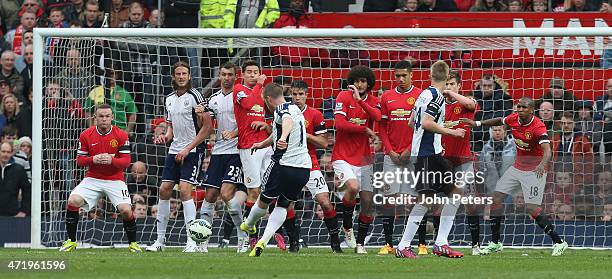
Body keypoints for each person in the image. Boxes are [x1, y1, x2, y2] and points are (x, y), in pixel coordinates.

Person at [461, 97, 569, 256]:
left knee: (531, 207)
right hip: (517, 168)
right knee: (496, 199)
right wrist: (478, 123)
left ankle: (559, 242)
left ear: (531, 110)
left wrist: (540, 165)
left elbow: (548, 151)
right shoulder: (513, 119)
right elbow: (499, 120)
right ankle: (496, 243)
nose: (520, 110)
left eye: (524, 107)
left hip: (535, 170)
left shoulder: (538, 127)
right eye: (518, 107)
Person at [395, 61, 465, 259]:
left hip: (426, 153)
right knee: (431, 198)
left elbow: (412, 122)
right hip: (428, 155)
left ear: (430, 75)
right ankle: (407, 245)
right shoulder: (436, 97)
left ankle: (439, 243)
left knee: (451, 193)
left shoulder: (422, 95)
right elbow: (426, 122)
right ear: (447, 75)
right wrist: (451, 132)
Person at [146, 61, 213, 253]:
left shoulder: (196, 96)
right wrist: (165, 137)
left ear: (189, 76)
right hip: (175, 149)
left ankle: (192, 241)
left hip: (193, 150)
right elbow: (171, 127)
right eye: (178, 73)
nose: (182, 76)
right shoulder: (168, 98)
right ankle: (160, 241)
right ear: (173, 77)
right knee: (164, 189)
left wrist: (187, 148)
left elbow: (207, 128)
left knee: (185, 191)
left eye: (185, 73)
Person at [239, 83, 311, 257]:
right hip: (303, 169)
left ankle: (248, 224)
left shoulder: (281, 109)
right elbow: (279, 130)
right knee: (283, 205)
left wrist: (284, 138)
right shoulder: (295, 108)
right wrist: (263, 143)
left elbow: (286, 121)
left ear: (269, 99)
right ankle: (263, 241)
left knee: (264, 201)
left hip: (283, 165)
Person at [59, 104, 142, 252]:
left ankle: (133, 244)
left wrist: (112, 161)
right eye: (101, 116)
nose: (104, 119)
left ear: (112, 117)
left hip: (115, 179)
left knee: (126, 211)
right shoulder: (86, 135)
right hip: (93, 179)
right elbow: (79, 161)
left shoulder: (121, 135)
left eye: (107, 116)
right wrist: (93, 159)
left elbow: (126, 162)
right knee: (73, 201)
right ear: (95, 118)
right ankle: (71, 241)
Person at [196, 62, 249, 253]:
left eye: (230, 75)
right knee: (209, 196)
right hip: (218, 152)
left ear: (236, 76)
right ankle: (202, 241)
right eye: (223, 74)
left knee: (226, 194)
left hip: (236, 151)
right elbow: (206, 126)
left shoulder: (242, 96)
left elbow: (248, 122)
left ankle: (243, 237)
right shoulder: (213, 99)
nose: (226, 78)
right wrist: (200, 114)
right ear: (219, 76)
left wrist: (234, 133)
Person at [376, 60, 424, 255]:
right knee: (388, 199)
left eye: (404, 75)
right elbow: (381, 127)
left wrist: (408, 149)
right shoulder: (387, 96)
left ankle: (419, 244)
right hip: (391, 156)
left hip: (413, 156)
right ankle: (388, 243)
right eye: (398, 75)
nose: (401, 79)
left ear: (412, 75)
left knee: (413, 200)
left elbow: (422, 126)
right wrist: (390, 150)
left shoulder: (421, 95)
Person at [332, 65, 381, 254]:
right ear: (351, 82)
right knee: (353, 187)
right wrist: (363, 129)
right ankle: (347, 226)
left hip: (364, 158)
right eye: (356, 81)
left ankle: (360, 244)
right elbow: (340, 124)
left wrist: (360, 101)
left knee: (368, 203)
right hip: (343, 155)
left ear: (369, 84)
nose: (359, 84)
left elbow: (376, 116)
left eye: (363, 81)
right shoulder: (343, 97)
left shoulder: (373, 100)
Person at [289, 80, 342, 253]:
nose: (297, 98)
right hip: (289, 163)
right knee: (287, 204)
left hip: (310, 163)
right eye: (294, 94)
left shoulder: (315, 115)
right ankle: (294, 242)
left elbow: (324, 143)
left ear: (306, 95)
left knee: (325, 203)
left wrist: (304, 134)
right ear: (290, 94)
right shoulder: (284, 113)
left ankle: (335, 244)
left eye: (301, 94)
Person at [233, 60, 272, 247]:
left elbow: (272, 111)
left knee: (272, 189)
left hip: (266, 144)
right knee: (254, 191)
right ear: (243, 74)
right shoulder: (239, 89)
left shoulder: (261, 91)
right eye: (249, 72)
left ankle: (275, 232)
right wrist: (259, 86)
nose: (252, 75)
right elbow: (248, 105)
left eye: (255, 72)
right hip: (249, 146)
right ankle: (248, 236)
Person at [441, 70, 481, 255]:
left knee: (470, 203)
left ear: (458, 86)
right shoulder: (437, 106)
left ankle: (475, 245)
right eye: (445, 84)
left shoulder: (465, 104)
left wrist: (452, 94)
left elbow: (471, 104)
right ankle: (441, 241)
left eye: (451, 84)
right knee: (438, 202)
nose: (447, 88)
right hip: (442, 161)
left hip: (463, 160)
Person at [0, 141, 30, 217]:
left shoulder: (19, 170)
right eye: (3, 151)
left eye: (8, 152)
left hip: (12, 215)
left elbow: (27, 191)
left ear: (12, 153)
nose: (5, 154)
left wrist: (24, 210)